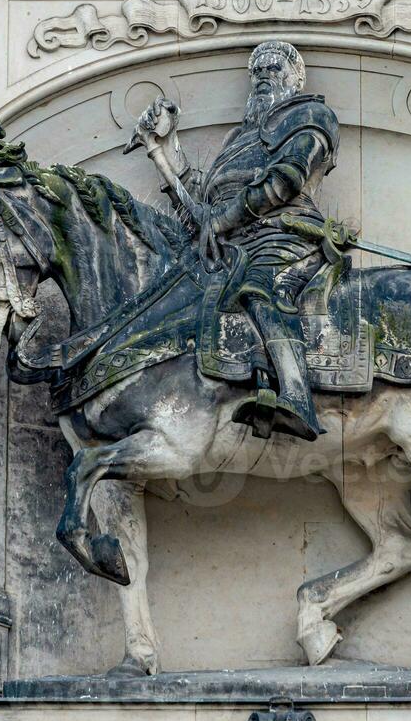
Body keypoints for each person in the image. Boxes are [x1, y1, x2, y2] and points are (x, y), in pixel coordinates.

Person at [133, 41, 341, 441]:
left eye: (274, 68)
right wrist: (162, 147)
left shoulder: (311, 115)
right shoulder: (237, 140)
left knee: (259, 287)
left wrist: (222, 221)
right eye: (257, 71)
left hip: (285, 234)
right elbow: (201, 203)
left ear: (295, 78)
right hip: (230, 246)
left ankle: (298, 399)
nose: (263, 76)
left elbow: (285, 181)